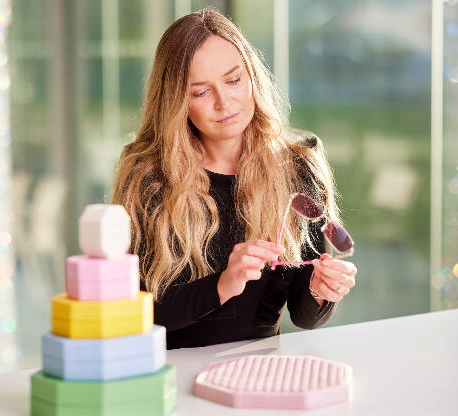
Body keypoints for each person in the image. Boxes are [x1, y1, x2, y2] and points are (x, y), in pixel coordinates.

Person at [112, 9, 357, 349]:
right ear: (176, 102)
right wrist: (223, 284)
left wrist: (320, 290)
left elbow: (304, 317)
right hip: (166, 371)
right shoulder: (148, 175)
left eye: (233, 80)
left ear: (252, 76)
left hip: (261, 370)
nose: (224, 102)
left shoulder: (298, 165)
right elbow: (139, 309)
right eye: (200, 92)